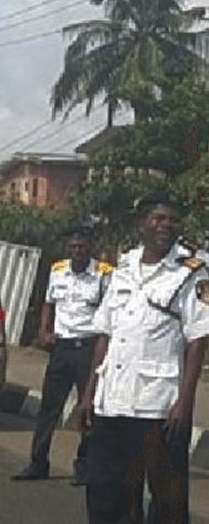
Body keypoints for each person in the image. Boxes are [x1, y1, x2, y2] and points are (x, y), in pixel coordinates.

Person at [77, 191, 209, 523]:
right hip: (112, 401)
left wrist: (184, 403)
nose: (166, 225)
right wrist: (89, 393)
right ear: (142, 224)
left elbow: (197, 339)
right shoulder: (123, 268)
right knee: (106, 490)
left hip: (158, 404)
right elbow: (105, 334)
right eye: (158, 218)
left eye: (173, 220)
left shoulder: (191, 274)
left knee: (166, 498)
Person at [12, 226, 112, 485]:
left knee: (87, 408)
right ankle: (38, 463)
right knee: (49, 408)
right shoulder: (58, 270)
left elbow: (109, 313)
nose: (77, 251)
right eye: (72, 247)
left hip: (89, 348)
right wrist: (44, 330)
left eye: (81, 247)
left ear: (90, 247)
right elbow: (49, 302)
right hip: (61, 348)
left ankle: (84, 467)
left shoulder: (103, 274)